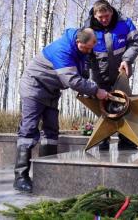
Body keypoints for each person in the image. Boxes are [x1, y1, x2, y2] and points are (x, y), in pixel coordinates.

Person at [14, 28, 108, 193]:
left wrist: (91, 88)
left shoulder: (81, 50)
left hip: (51, 91)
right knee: (29, 130)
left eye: (91, 48)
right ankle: (20, 177)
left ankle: (46, 173)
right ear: (78, 42)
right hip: (34, 88)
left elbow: (82, 75)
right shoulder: (62, 49)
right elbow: (71, 80)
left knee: (51, 132)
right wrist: (95, 90)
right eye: (86, 48)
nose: (89, 51)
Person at [84, 0, 138, 150]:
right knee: (102, 106)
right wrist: (85, 74)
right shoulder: (87, 27)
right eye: (100, 17)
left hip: (120, 73)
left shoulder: (124, 22)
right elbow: (83, 51)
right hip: (98, 75)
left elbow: (136, 42)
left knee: (124, 104)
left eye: (106, 16)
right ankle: (103, 139)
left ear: (111, 11)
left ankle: (127, 140)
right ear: (95, 16)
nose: (104, 20)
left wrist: (127, 60)